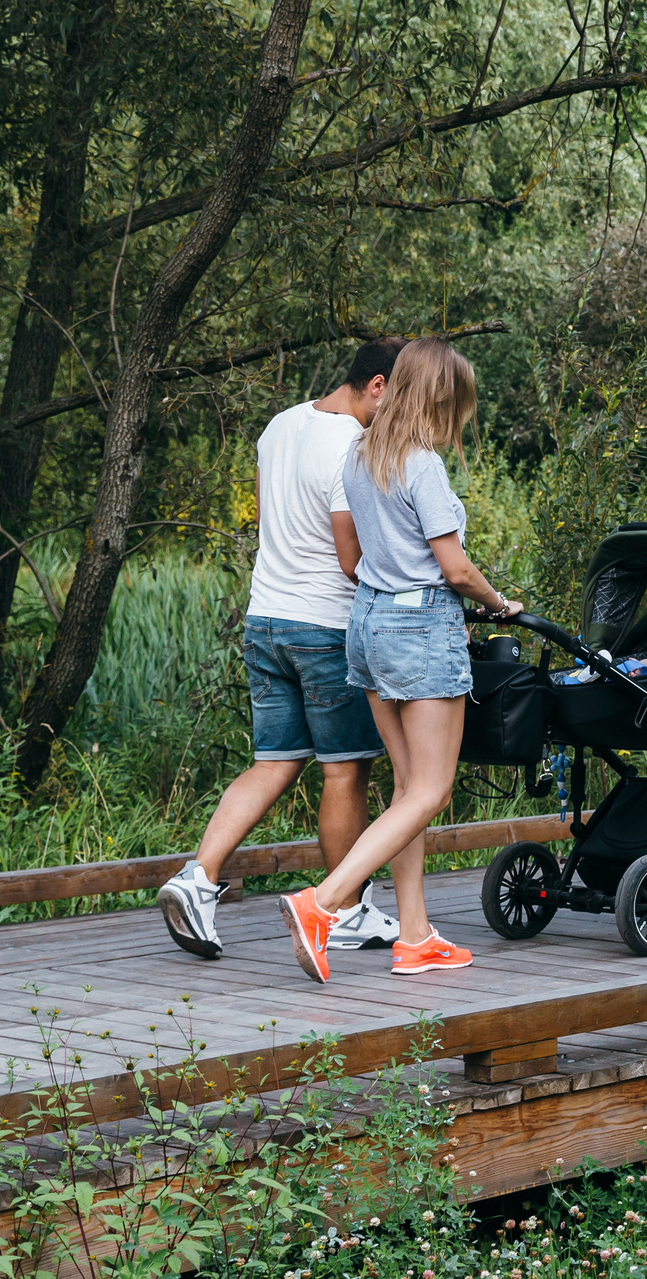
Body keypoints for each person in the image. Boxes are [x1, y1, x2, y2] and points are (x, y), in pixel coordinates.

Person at [158, 338, 409, 961]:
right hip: (324, 626)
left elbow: (276, 521)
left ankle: (197, 878)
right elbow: (350, 559)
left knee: (274, 761)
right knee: (345, 769)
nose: (405, 416)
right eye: (402, 399)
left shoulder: (280, 425)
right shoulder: (353, 446)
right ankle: (345, 910)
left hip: (265, 618)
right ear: (377, 386)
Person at [279, 336, 521, 981]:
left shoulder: (361, 455)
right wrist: (499, 604)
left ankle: (414, 935)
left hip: (368, 623)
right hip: (419, 628)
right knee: (432, 790)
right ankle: (324, 902)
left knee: (407, 788)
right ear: (443, 397)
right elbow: (455, 568)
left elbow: (362, 555)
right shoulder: (423, 464)